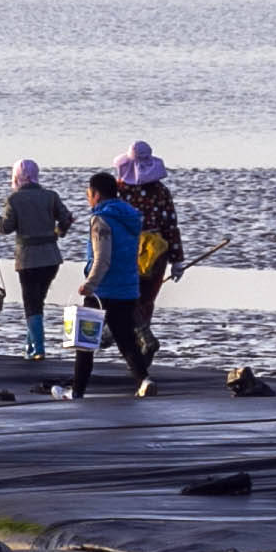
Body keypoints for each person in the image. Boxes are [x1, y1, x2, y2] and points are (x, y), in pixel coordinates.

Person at [71, 170, 156, 397]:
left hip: (102, 291)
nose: (88, 197)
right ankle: (144, 380)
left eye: (89, 193)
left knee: (84, 343)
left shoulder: (101, 220)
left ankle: (77, 391)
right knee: (126, 340)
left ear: (96, 194)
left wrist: (89, 284)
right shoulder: (130, 217)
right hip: (127, 289)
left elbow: (102, 258)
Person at [0, 159, 72, 361]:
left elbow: (6, 228)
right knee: (37, 301)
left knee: (31, 303)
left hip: (28, 260)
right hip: (51, 258)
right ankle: (30, 347)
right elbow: (67, 218)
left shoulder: (14, 200)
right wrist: (59, 232)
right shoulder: (51, 196)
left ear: (16, 177)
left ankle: (39, 349)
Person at [121, 141, 186, 319]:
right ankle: (141, 337)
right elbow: (170, 226)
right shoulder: (161, 191)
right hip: (156, 252)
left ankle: (127, 337)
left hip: (126, 250)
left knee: (125, 297)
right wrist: (177, 261)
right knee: (147, 299)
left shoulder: (119, 190)